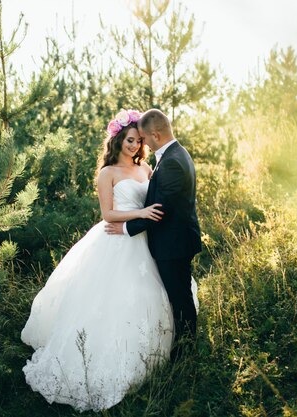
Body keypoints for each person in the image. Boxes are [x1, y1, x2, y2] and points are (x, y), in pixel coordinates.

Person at [20, 109, 175, 412]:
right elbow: (108, 215)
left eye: (138, 141)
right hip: (115, 239)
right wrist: (140, 214)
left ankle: (149, 360)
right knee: (108, 300)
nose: (134, 146)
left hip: (143, 242)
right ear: (118, 141)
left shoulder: (146, 169)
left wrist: (146, 219)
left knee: (147, 297)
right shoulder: (108, 173)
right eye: (130, 140)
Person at [105, 108, 202, 362]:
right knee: (176, 296)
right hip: (168, 240)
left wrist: (126, 229)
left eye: (143, 139)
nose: (141, 145)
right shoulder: (174, 154)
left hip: (173, 243)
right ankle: (181, 347)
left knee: (179, 299)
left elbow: (159, 210)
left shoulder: (170, 161)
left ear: (155, 135)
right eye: (134, 140)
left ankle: (184, 354)